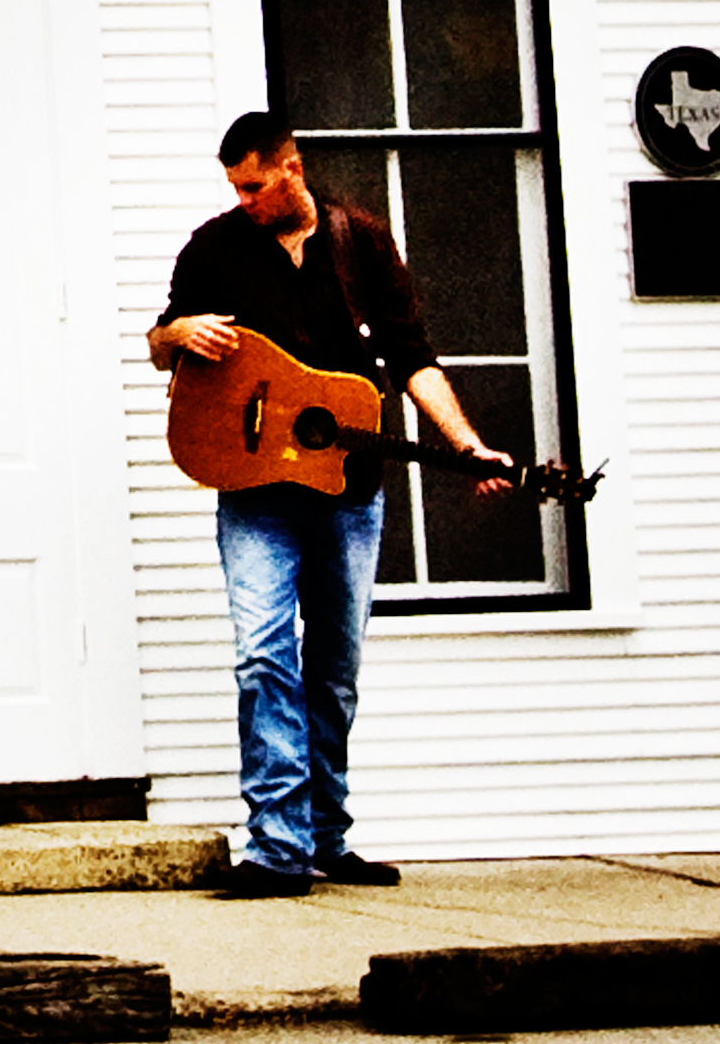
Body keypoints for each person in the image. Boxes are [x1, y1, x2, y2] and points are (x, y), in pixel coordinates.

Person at [145, 109, 504, 898]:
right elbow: (157, 341)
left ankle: (326, 837)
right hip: (253, 490)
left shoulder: (359, 241)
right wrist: (181, 334)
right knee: (263, 655)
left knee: (333, 672)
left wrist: (466, 442)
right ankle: (276, 848)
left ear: (292, 169)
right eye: (233, 188)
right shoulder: (215, 246)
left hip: (347, 491)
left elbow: (413, 357)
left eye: (254, 185)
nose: (243, 200)